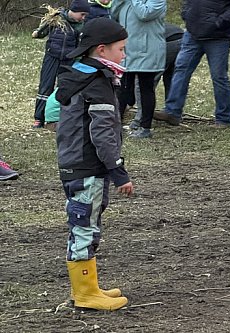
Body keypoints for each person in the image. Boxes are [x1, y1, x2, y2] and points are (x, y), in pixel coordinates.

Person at [54, 17, 133, 311]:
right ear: (102, 50)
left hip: (75, 162)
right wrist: (118, 171)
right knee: (84, 227)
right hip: (88, 166)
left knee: (85, 223)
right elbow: (102, 133)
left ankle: (89, 285)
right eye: (121, 49)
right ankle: (85, 294)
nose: (124, 55)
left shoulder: (78, 74)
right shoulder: (97, 84)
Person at [155, 0, 230, 128]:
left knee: (219, 77)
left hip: (218, 37)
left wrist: (219, 22)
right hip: (192, 34)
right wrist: (186, 14)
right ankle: (172, 112)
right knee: (181, 69)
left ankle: (224, 119)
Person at [110, 0, 167, 139]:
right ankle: (114, 126)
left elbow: (144, 14)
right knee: (122, 89)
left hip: (148, 51)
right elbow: (113, 14)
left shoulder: (158, 1)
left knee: (145, 89)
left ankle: (145, 127)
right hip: (128, 52)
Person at [31, 0, 89, 129]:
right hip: (52, 57)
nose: (83, 18)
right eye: (82, 14)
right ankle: (39, 118)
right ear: (73, 11)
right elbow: (41, 32)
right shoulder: (57, 19)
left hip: (69, 59)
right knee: (45, 86)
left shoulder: (81, 26)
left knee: (64, 87)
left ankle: (59, 116)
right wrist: (39, 31)